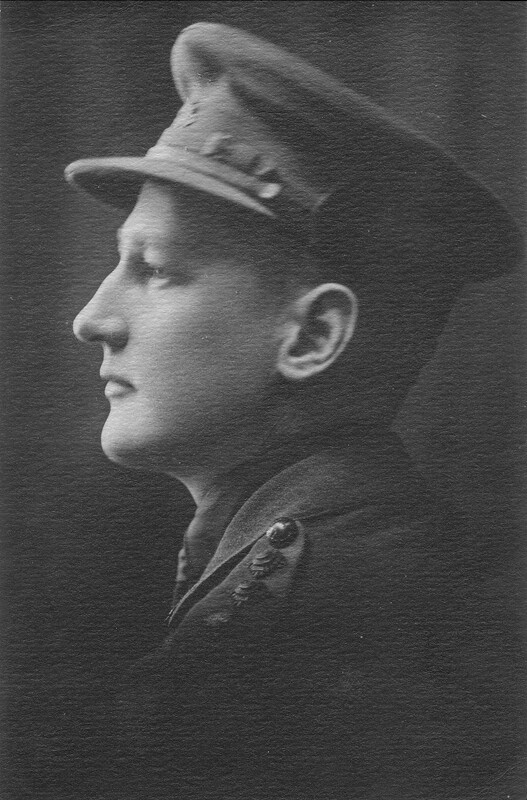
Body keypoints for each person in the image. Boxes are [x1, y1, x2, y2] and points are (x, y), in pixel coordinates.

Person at [66, 22, 524, 800]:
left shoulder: (300, 619)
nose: (92, 318)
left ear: (311, 337)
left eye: (154, 269)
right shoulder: (338, 554)